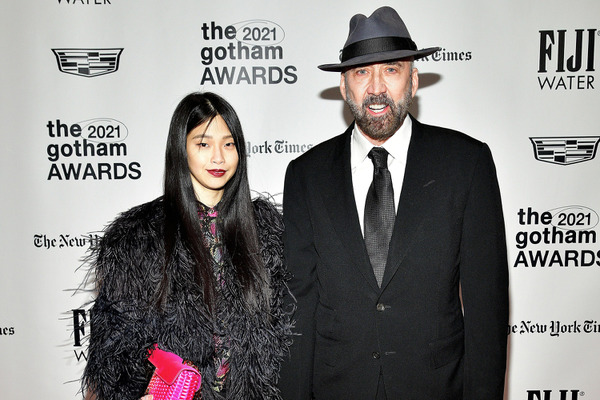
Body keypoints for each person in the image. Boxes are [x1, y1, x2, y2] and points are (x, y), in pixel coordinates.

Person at [279, 6, 508, 400]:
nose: (376, 88)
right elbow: (298, 306)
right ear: (344, 87)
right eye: (361, 73)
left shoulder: (466, 163)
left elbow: (487, 306)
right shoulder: (306, 175)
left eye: (391, 69)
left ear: (413, 80)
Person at [81, 92, 292, 400]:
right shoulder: (139, 236)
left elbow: (284, 337)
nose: (218, 157)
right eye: (203, 144)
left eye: (229, 144)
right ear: (181, 149)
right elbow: (116, 352)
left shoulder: (266, 230)